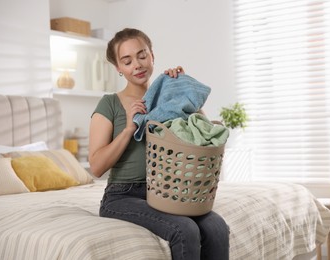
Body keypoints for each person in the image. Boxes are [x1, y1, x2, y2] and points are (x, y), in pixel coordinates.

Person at [88, 28, 229, 260]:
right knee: (185, 229)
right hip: (123, 196)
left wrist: (183, 89)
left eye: (142, 55)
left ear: (152, 56)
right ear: (119, 69)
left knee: (216, 227)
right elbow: (96, 166)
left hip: (168, 191)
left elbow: (201, 132)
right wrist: (129, 129)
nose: (137, 65)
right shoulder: (110, 104)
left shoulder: (167, 100)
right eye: (127, 60)